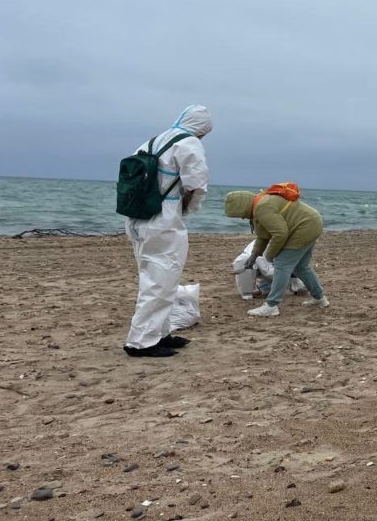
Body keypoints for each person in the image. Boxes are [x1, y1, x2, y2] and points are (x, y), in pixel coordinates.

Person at [123, 105, 212, 358]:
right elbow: (197, 184)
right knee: (160, 282)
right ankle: (141, 342)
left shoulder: (152, 141)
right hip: (163, 221)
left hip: (138, 218)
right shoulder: (189, 143)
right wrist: (186, 210)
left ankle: (160, 333)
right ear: (202, 128)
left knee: (156, 278)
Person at [224, 188, 329, 317]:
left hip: (303, 227)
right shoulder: (261, 202)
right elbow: (263, 236)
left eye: (240, 215)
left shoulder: (262, 208)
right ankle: (320, 298)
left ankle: (271, 305)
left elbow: (280, 233)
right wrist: (254, 256)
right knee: (301, 267)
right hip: (313, 223)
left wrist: (270, 256)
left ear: (242, 207)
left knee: (282, 265)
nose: (242, 218)